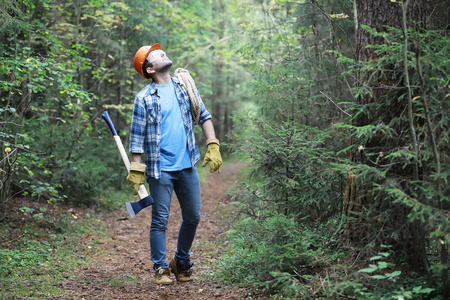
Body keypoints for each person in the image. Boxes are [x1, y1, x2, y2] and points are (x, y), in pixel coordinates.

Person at [127, 43, 222, 285]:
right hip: (161, 170)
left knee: (193, 216)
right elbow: (136, 138)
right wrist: (136, 169)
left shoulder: (184, 87)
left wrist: (212, 144)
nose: (162, 52)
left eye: (160, 51)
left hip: (187, 164)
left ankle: (181, 262)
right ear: (149, 69)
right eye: (155, 54)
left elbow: (203, 115)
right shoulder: (144, 98)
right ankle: (160, 268)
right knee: (160, 220)